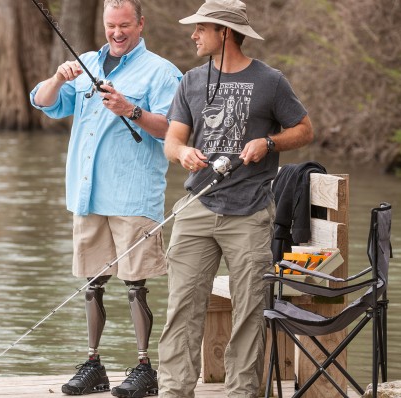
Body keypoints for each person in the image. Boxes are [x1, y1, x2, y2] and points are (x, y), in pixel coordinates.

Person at [156, 0, 314, 397]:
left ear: (224, 32)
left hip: (250, 213)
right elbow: (172, 139)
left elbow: (305, 130)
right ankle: (174, 391)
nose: (193, 35)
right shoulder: (191, 80)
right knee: (181, 308)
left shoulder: (270, 80)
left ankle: (241, 393)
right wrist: (182, 153)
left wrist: (269, 141)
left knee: (248, 312)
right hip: (197, 208)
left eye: (200, 29)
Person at [30, 0, 182, 396]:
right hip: (87, 194)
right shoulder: (83, 65)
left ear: (140, 24)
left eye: (125, 25)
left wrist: (130, 109)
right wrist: (58, 79)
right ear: (104, 23)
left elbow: (173, 131)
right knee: (92, 282)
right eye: (111, 25)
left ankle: (144, 368)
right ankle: (94, 365)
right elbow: (43, 102)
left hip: (133, 195)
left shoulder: (162, 72)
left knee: (136, 284)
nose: (117, 33)